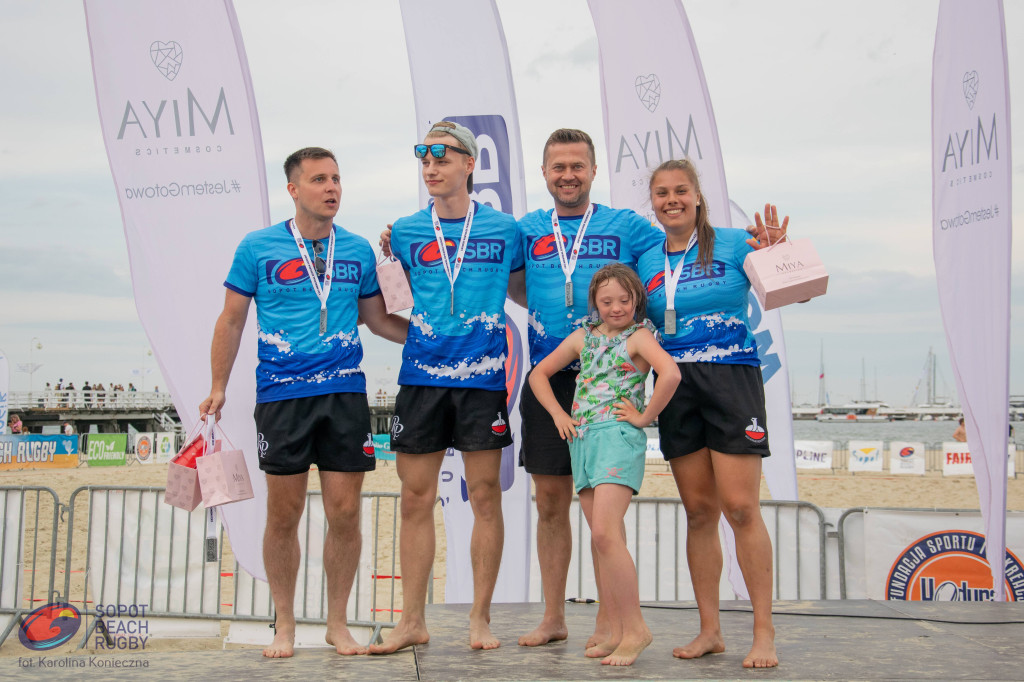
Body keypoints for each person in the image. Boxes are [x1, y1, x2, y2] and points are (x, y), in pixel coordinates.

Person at [199, 146, 408, 659]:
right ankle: (285, 624)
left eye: (336, 178)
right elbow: (231, 319)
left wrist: (432, 339)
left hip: (343, 395)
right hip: (281, 396)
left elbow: (379, 320)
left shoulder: (357, 249)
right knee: (284, 514)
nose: (332, 188)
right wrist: (219, 385)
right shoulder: (258, 247)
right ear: (293, 190)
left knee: (345, 513)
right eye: (319, 179)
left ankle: (338, 623)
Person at [508, 129, 664, 648]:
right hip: (554, 375)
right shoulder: (528, 228)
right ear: (545, 174)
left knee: (599, 515)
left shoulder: (627, 225)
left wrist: (770, 257)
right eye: (558, 167)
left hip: (609, 378)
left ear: (594, 171)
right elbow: (496, 272)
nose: (568, 175)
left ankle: (608, 622)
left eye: (578, 166)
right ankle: (554, 618)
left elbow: (679, 250)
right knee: (550, 502)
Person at [370, 121, 522, 654]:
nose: (431, 167)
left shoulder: (507, 231)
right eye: (424, 158)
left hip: (483, 383)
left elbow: (532, 288)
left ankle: (480, 619)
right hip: (422, 383)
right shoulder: (407, 232)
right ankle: (411, 620)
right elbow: (386, 306)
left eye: (442, 157)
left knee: (484, 497)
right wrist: (423, 336)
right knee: (415, 500)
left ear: (469, 164)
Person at [637, 158, 785, 668]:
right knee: (699, 512)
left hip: (733, 379)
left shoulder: (736, 242)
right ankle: (710, 630)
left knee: (741, 508)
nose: (671, 200)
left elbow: (792, 289)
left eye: (680, 190)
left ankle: (763, 632)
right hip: (676, 384)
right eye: (661, 193)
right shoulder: (647, 259)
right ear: (652, 202)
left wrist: (778, 254)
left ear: (698, 196)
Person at [529, 263, 680, 666]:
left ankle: (636, 629)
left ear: (636, 301)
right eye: (606, 300)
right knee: (603, 538)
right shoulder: (583, 337)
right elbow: (539, 374)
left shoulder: (640, 337)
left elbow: (671, 373)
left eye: (624, 300)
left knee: (605, 535)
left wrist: (645, 417)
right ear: (594, 302)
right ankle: (614, 629)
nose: (616, 308)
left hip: (617, 437)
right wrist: (560, 415)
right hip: (582, 440)